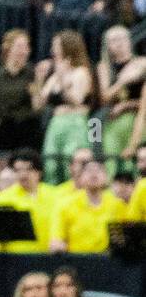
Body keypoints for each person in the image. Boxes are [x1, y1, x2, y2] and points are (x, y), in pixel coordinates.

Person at [34, 29, 95, 183]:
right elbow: (38, 105)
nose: (52, 50)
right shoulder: (54, 75)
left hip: (75, 123)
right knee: (50, 164)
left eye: (55, 46)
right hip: (56, 123)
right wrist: (39, 80)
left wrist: (62, 79)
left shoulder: (81, 72)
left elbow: (77, 100)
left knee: (72, 164)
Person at [49, 159, 126, 254]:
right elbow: (56, 241)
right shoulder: (65, 205)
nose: (94, 174)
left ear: (106, 177)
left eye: (99, 170)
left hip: (108, 261)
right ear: (80, 178)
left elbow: (123, 239)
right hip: (77, 261)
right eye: (89, 171)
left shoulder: (118, 204)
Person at [97, 25, 145, 175]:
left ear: (130, 41)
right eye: (113, 40)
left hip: (139, 120)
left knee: (135, 164)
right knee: (110, 162)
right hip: (112, 122)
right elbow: (104, 98)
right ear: (107, 46)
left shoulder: (143, 63)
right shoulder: (104, 67)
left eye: (122, 39)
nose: (119, 43)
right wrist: (123, 81)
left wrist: (127, 105)